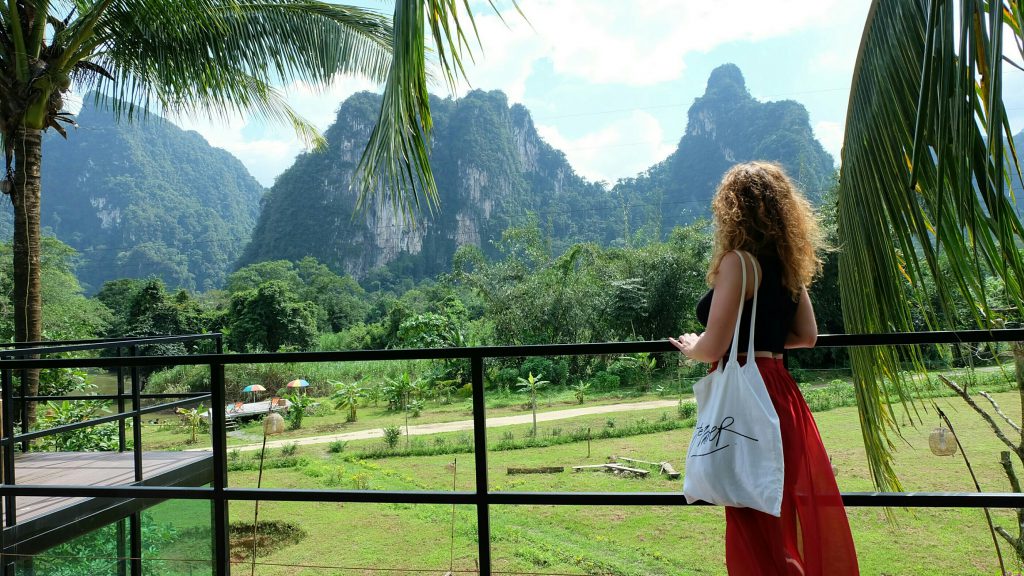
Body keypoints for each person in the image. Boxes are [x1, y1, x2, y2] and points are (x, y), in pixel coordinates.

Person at [669, 161, 859, 575]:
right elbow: (805, 337)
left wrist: (691, 346)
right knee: (777, 504)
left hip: (747, 391)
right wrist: (762, 344)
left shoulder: (738, 262)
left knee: (750, 507)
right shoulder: (789, 267)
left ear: (732, 207)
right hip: (780, 390)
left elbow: (713, 346)